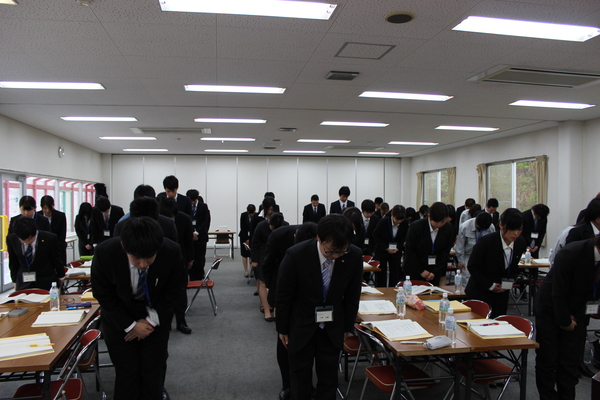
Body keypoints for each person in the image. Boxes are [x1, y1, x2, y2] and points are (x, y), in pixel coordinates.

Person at [91, 217, 185, 400]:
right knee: (127, 373)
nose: (142, 265)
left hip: (156, 317)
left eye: (149, 259)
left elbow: (175, 291)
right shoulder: (104, 253)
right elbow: (103, 294)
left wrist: (150, 322)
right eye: (136, 259)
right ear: (123, 246)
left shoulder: (171, 251)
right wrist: (130, 325)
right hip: (119, 319)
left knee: (153, 372)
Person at [276, 214, 363, 400]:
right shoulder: (296, 255)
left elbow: (352, 295)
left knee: (329, 378)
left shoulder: (353, 255)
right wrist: (282, 328)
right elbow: (283, 295)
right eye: (330, 251)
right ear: (319, 238)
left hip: (332, 327)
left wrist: (347, 327)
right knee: (300, 378)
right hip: (301, 324)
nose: (336, 256)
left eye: (341, 251)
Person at [535, 235, 600, 400]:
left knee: (570, 362)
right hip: (550, 308)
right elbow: (558, 292)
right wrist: (565, 320)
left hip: (578, 311)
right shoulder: (572, 253)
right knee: (548, 359)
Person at [263, 222, 318, 400]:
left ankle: (307, 385)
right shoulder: (278, 236)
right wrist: (272, 292)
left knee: (308, 345)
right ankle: (287, 385)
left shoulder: (319, 239)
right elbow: (267, 265)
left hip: (310, 297)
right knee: (284, 343)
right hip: (282, 287)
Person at [465, 208, 527, 318]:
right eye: (512, 229)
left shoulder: (520, 242)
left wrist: (508, 284)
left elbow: (513, 267)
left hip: (501, 294)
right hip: (481, 291)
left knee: (498, 323)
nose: (516, 233)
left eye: (519, 229)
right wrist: (490, 285)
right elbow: (473, 266)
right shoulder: (486, 242)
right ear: (501, 225)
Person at [158, 196, 194, 335]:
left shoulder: (185, 219)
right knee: (162, 292)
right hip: (160, 259)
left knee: (180, 291)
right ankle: (164, 323)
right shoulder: (157, 220)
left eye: (172, 216)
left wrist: (190, 259)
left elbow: (188, 240)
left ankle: (181, 321)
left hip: (180, 258)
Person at [403, 202, 454, 286]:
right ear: (429, 216)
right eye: (437, 222)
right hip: (415, 269)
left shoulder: (448, 228)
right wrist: (421, 271)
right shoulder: (416, 227)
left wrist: (435, 271)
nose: (439, 224)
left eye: (443, 221)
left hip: (434, 271)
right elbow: (410, 252)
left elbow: (445, 252)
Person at [7, 217, 64, 291]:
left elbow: (56, 259)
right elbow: (13, 261)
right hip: (23, 283)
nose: (28, 242)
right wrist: (14, 280)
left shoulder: (49, 238)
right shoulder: (11, 239)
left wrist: (61, 277)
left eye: (30, 239)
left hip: (45, 280)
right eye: (24, 241)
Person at [252, 208, 286, 322]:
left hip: (279, 257)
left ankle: (276, 310)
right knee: (262, 282)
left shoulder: (285, 225)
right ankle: (266, 310)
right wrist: (255, 260)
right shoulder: (261, 226)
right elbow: (254, 243)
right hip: (263, 256)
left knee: (278, 284)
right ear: (269, 222)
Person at [372, 205, 409, 287]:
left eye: (401, 219)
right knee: (381, 273)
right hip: (382, 250)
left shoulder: (405, 223)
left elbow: (404, 236)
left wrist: (398, 247)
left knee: (395, 273)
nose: (399, 221)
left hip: (396, 251)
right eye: (397, 219)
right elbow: (375, 235)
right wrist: (386, 247)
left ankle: (393, 290)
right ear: (392, 215)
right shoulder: (383, 222)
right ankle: (381, 291)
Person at [454, 212, 495, 284]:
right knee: (467, 277)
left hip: (483, 256)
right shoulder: (465, 226)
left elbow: (493, 243)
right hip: (468, 255)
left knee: (483, 277)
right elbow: (460, 246)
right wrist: (461, 261)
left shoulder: (490, 227)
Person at [186, 189, 211, 280]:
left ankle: (200, 275)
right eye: (191, 201)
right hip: (189, 236)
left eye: (194, 200)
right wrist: (191, 233)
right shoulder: (186, 206)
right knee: (191, 257)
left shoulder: (203, 206)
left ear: (197, 198)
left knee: (200, 257)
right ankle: (192, 276)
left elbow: (205, 221)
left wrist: (197, 232)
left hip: (201, 236)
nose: (192, 203)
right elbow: (184, 220)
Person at [38, 195, 67, 265]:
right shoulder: (37, 216)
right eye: (45, 208)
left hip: (58, 248)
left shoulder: (60, 216)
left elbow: (62, 234)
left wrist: (55, 247)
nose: (47, 211)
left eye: (49, 208)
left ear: (53, 205)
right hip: (42, 250)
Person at [239, 204, 256, 278]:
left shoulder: (256, 216)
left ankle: (251, 270)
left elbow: (256, 228)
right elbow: (242, 227)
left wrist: (251, 238)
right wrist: (246, 238)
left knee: (251, 254)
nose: (251, 215)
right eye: (250, 213)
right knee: (244, 254)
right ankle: (246, 270)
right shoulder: (243, 215)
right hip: (244, 236)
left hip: (253, 237)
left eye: (252, 213)